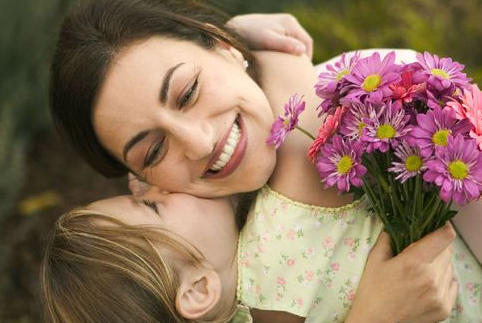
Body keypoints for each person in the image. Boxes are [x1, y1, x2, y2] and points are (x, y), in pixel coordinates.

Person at [47, 0, 470, 321]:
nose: (199, 142)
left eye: (189, 92)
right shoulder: (231, 254)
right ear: (138, 179)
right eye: (154, 151)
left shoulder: (384, 99)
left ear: (224, 49)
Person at [41, 191, 480, 323]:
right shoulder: (273, 234)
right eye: (151, 206)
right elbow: (299, 94)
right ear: (198, 289)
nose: (154, 185)